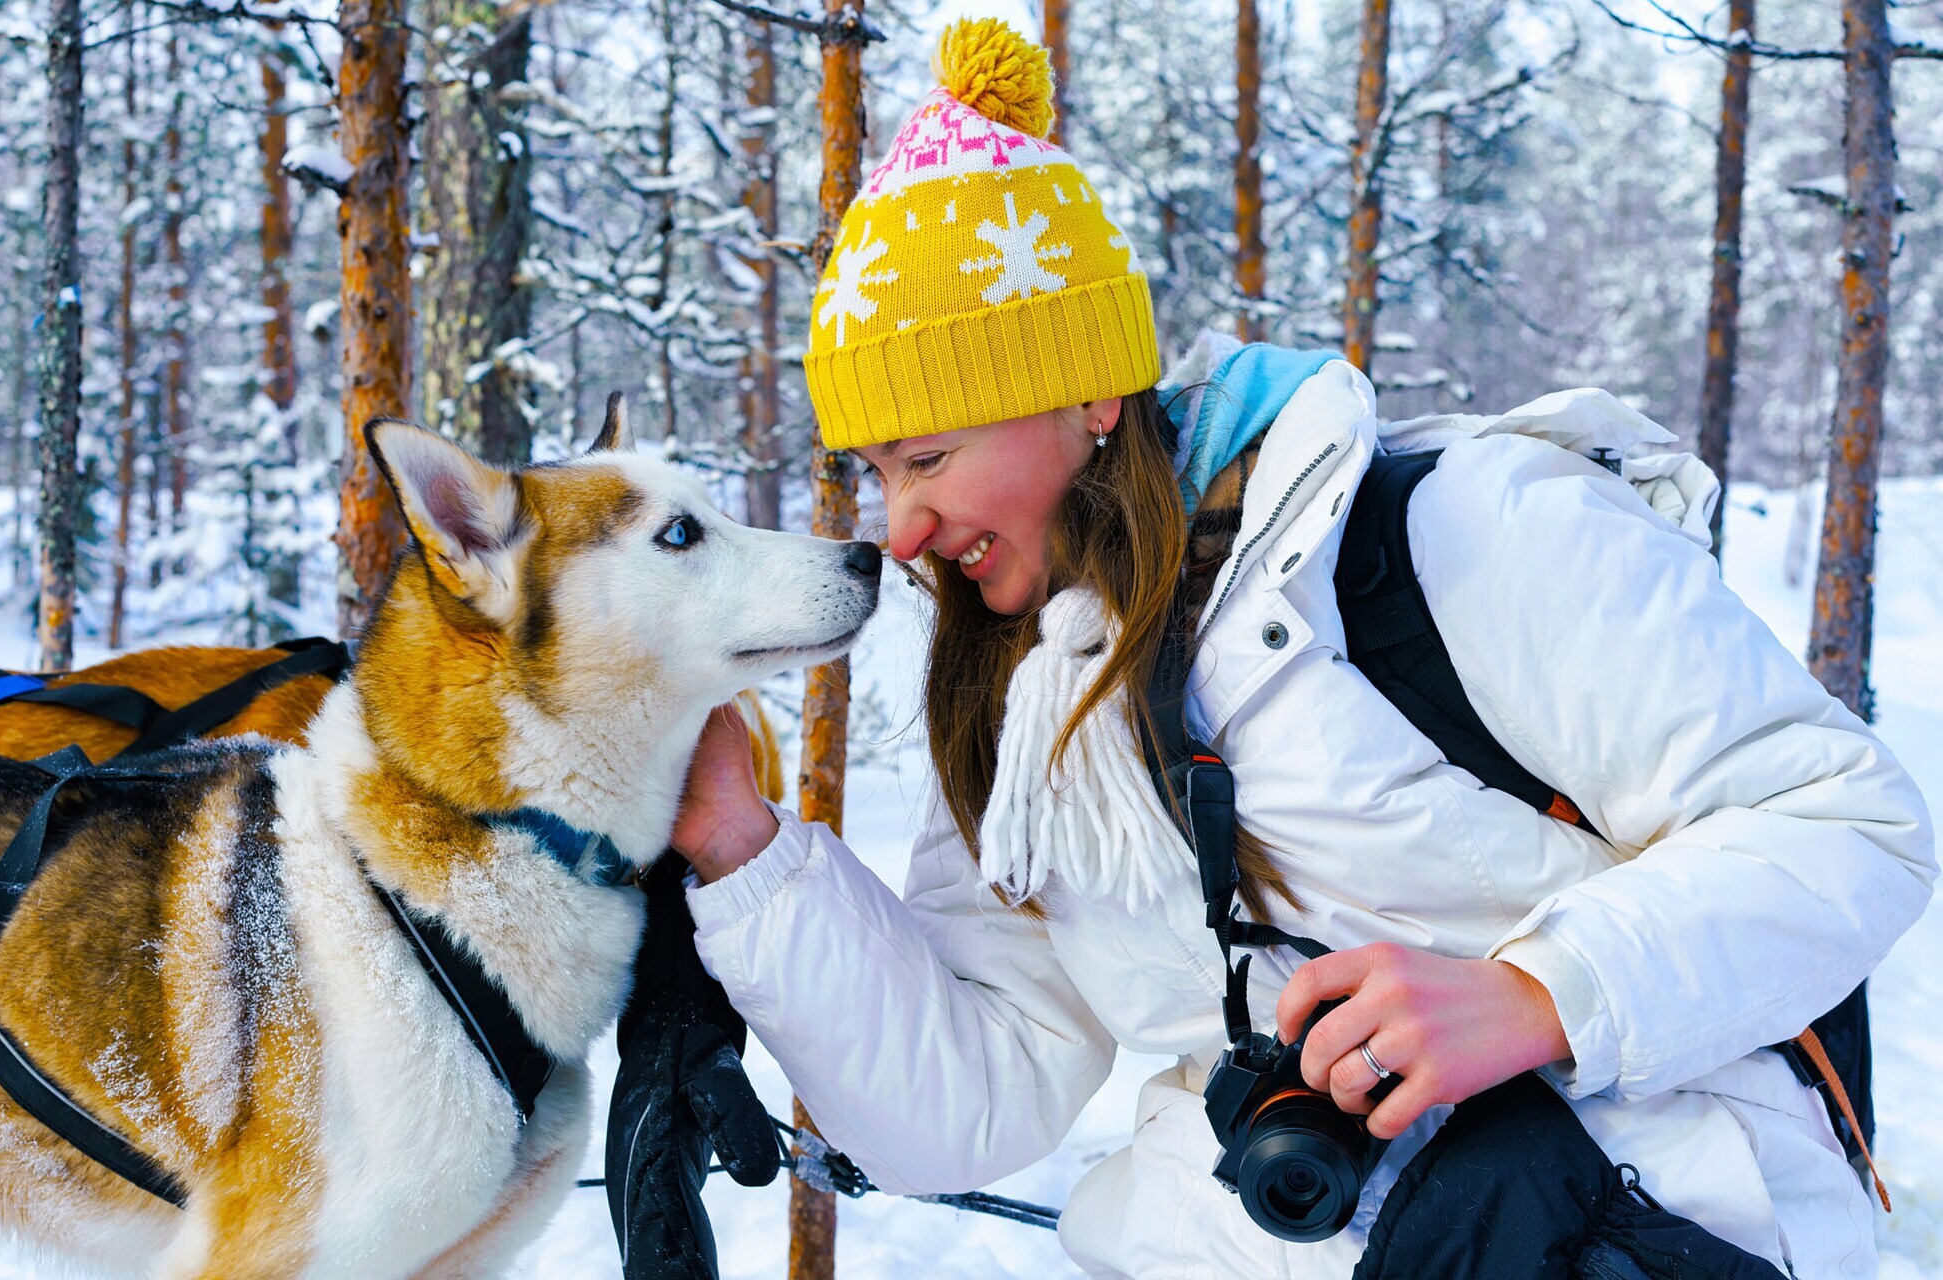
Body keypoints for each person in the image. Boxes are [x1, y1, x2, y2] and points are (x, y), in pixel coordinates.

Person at [666, 20, 1935, 1279]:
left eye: (928, 457)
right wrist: (741, 851)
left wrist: (1543, 993)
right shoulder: (1016, 691)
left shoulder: (1451, 532)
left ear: (1088, 395)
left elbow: (1844, 821)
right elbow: (974, 1098)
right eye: (875, 472)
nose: (899, 529)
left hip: (1636, 1229)